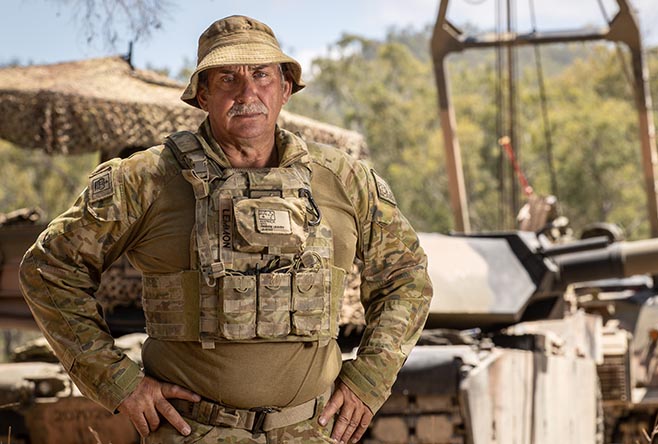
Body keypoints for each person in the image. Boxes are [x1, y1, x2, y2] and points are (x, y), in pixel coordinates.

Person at [19, 15, 432, 444]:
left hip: (313, 431)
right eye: (227, 78)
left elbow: (406, 276)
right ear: (202, 94)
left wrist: (369, 379)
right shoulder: (146, 179)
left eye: (261, 75)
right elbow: (49, 270)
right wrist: (118, 382)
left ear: (285, 88)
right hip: (190, 432)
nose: (247, 92)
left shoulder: (344, 179)